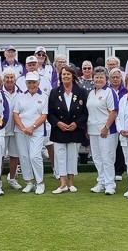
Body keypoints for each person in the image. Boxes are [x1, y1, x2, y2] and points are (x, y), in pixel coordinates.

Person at [48, 66, 88, 194]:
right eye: (63, 74)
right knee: (60, 156)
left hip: (74, 130)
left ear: (73, 76)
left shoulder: (81, 91)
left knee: (72, 156)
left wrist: (76, 124)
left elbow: (85, 113)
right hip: (59, 130)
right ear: (60, 77)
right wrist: (58, 123)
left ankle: (71, 183)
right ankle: (62, 184)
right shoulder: (54, 92)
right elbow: (50, 113)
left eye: (68, 74)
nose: (66, 76)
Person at [13, 71, 49, 194]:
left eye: (34, 82)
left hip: (37, 131)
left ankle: (40, 182)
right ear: (26, 83)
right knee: (24, 156)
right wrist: (23, 128)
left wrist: (32, 127)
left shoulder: (44, 97)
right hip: (21, 131)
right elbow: (15, 114)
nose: (32, 84)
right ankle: (29, 182)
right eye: (29, 82)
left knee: (35, 156)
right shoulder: (20, 96)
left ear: (38, 82)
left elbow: (44, 116)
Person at [87, 66, 120, 195]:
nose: (98, 79)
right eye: (96, 77)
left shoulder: (110, 92)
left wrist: (106, 127)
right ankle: (101, 181)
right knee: (97, 158)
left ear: (106, 79)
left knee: (107, 158)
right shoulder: (91, 93)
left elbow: (114, 111)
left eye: (101, 77)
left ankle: (110, 185)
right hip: (93, 130)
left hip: (107, 130)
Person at [1, 68, 23, 190]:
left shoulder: (20, 93)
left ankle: (12, 179)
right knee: (0, 156)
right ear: (3, 79)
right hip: (2, 131)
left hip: (16, 130)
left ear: (15, 79)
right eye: (7, 78)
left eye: (11, 77)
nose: (9, 80)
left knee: (14, 156)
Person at [108, 68, 128, 181]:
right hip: (110, 122)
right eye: (113, 77)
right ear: (109, 79)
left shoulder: (125, 90)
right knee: (110, 148)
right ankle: (110, 170)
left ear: (121, 78)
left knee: (120, 147)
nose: (115, 79)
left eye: (117, 77)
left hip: (122, 122)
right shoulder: (106, 90)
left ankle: (119, 171)